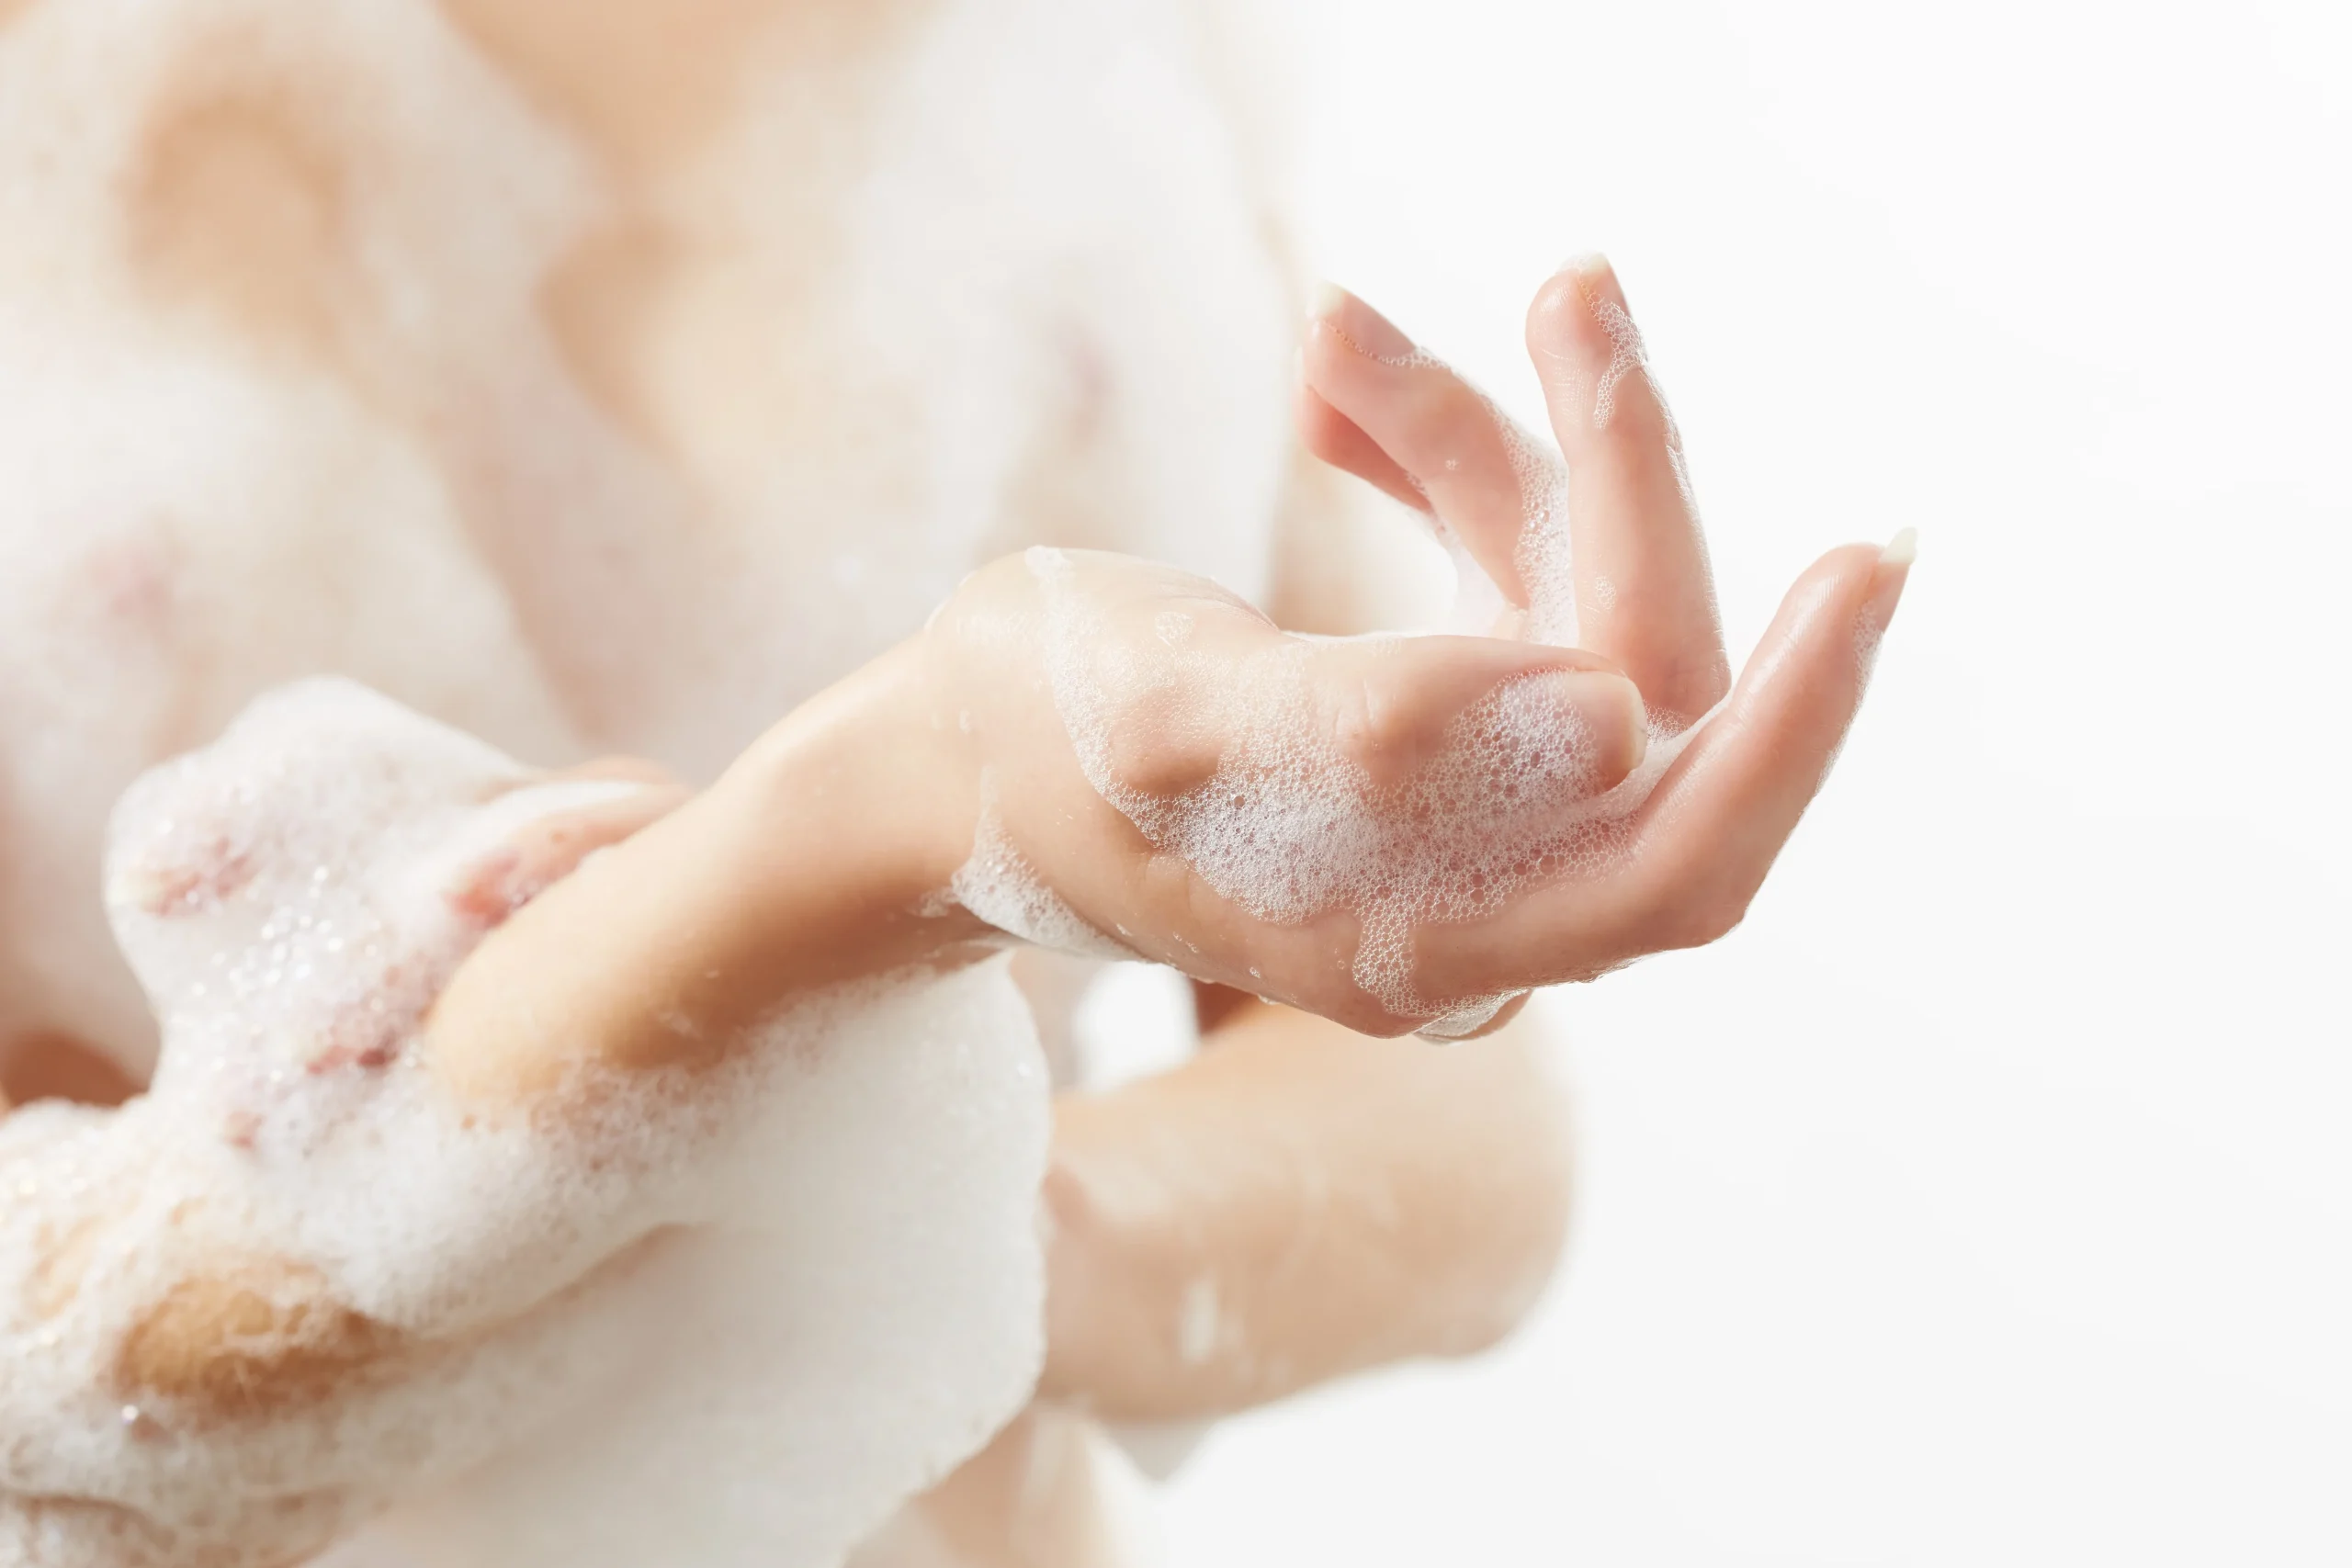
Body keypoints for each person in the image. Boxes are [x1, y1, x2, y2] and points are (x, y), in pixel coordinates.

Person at [0, 1, 1908, 1561]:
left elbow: (1472, 1139)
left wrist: (987, 1242)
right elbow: (54, 1364)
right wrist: (885, 814)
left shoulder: (1086, 69)